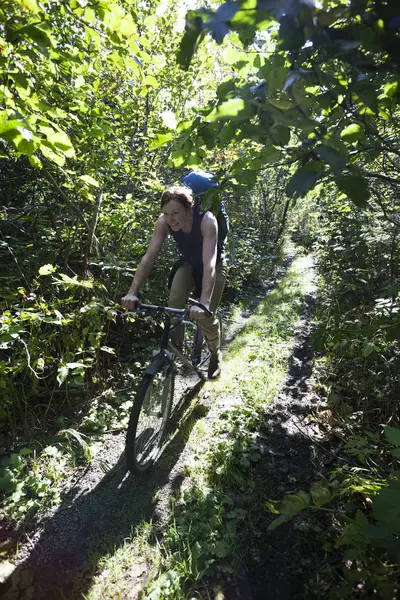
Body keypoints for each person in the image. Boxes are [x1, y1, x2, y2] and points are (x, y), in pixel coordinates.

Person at [121, 183, 227, 378]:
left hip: (213, 266)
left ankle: (214, 352)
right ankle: (175, 353)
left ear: (189, 209)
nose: (171, 220)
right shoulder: (163, 222)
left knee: (206, 316)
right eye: (166, 213)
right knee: (173, 305)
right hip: (188, 264)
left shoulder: (206, 220)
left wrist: (203, 302)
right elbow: (149, 257)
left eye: (176, 213)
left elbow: (209, 264)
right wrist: (132, 292)